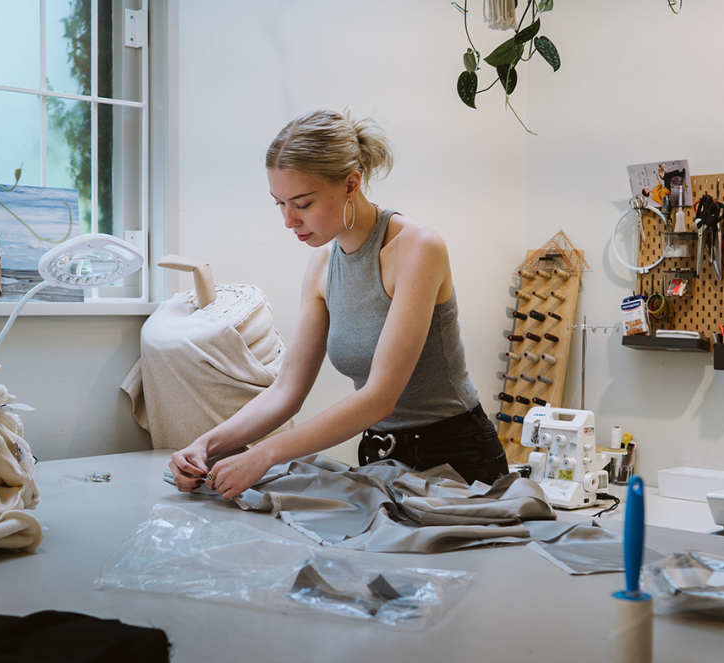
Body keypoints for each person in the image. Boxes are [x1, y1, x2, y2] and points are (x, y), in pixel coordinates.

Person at [169, 109, 509, 500]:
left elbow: (380, 398)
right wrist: (205, 447)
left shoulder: (417, 249)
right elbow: (286, 391)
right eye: (279, 203)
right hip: (381, 456)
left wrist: (263, 455)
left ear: (351, 183)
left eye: (303, 203)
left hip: (457, 457)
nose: (288, 220)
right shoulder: (321, 266)